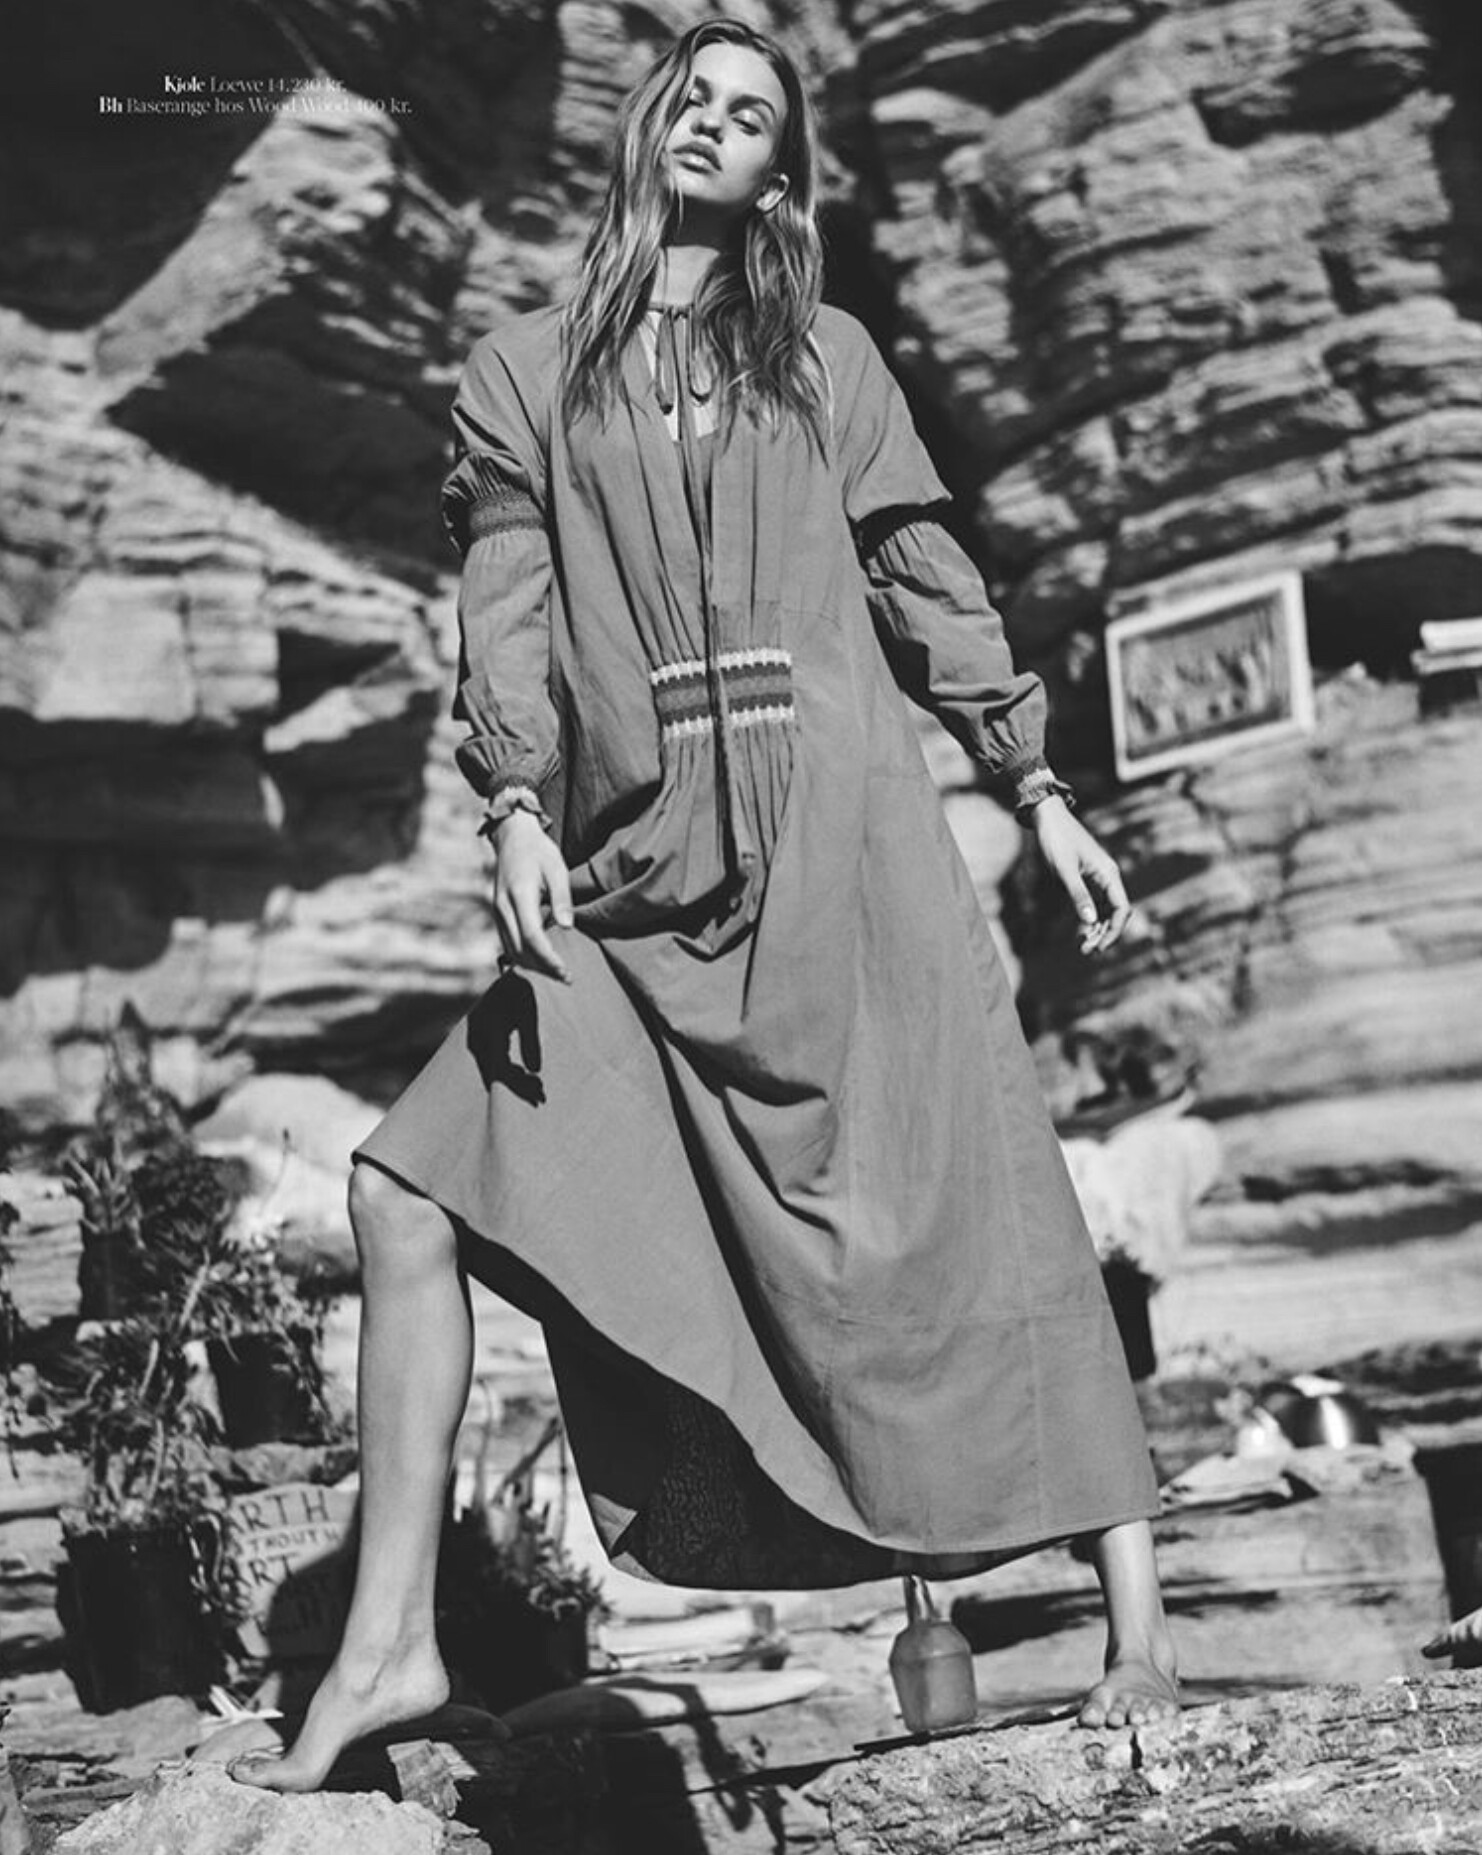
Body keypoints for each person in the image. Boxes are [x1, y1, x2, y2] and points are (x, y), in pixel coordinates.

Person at [230, 18, 1178, 1792]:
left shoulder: (825, 357)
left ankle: (1135, 1624)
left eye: (754, 116)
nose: (717, 124)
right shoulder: (520, 373)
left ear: (775, 177)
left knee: (983, 1206)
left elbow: (919, 576)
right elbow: (507, 610)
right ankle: (389, 1644)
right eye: (697, 95)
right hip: (635, 887)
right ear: (648, 120)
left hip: (853, 855)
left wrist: (1034, 787)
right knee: (401, 1188)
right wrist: (516, 800)